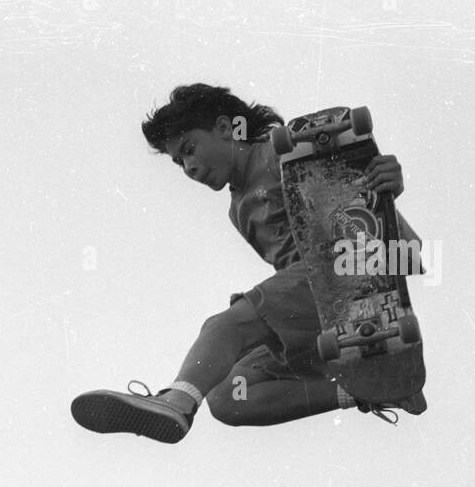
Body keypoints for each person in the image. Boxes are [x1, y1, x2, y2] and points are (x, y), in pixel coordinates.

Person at [70, 84, 426, 444]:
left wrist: (384, 188)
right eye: (179, 161)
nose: (188, 167)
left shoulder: (277, 155)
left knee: (225, 326)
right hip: (316, 315)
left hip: (347, 273)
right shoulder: (236, 209)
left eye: (189, 149)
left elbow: (405, 248)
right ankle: (369, 393)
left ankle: (176, 401)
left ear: (225, 128)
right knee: (229, 397)